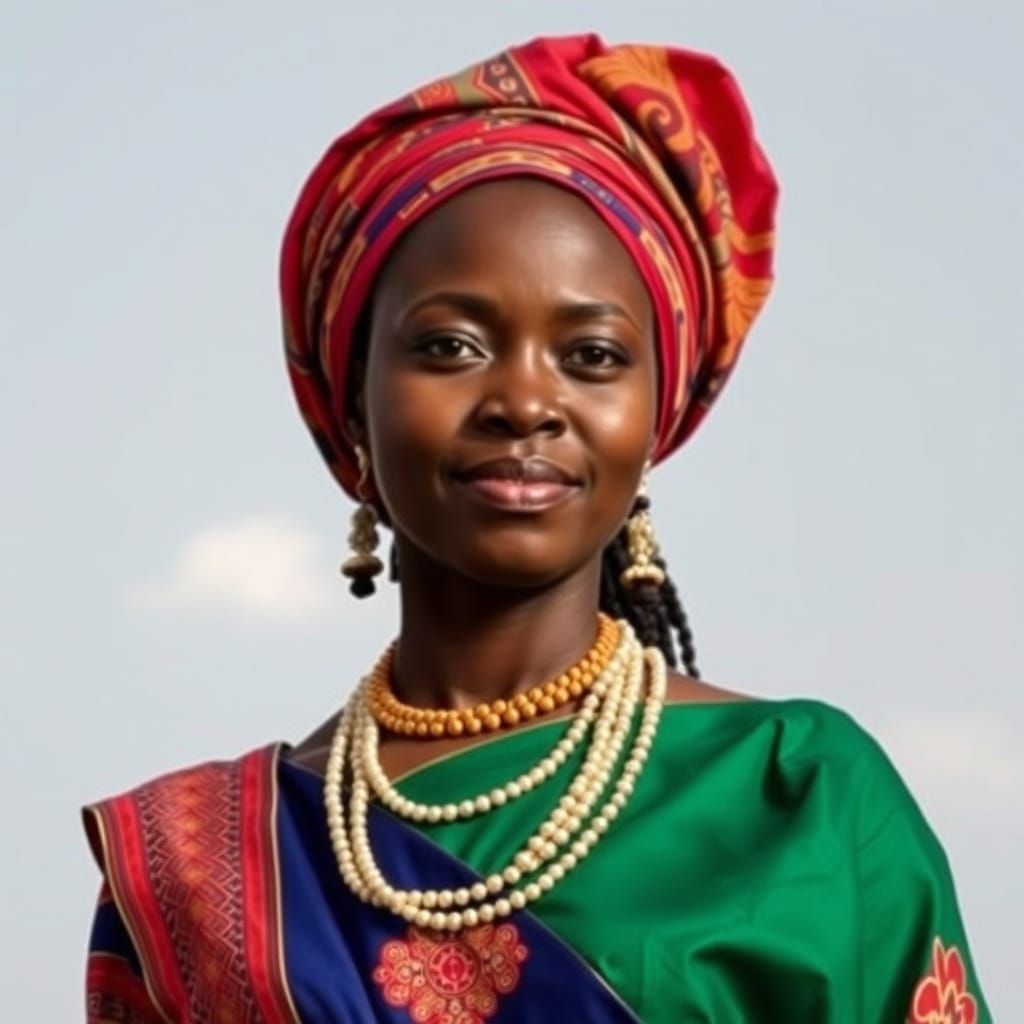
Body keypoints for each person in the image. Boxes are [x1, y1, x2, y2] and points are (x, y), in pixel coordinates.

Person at [81, 34, 990, 1023]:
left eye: (592, 354)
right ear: (352, 411)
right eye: (450, 345)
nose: (523, 399)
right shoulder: (205, 873)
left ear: (654, 417)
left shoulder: (798, 792)